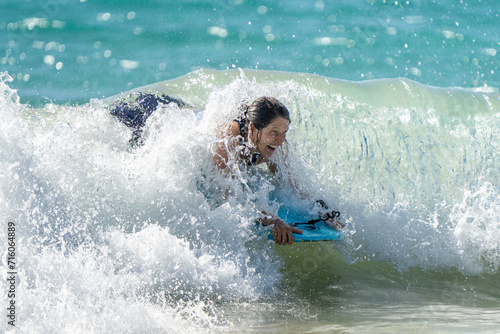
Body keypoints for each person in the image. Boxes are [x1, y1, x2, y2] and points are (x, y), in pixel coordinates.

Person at [213, 96, 344, 245]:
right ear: (252, 129)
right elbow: (230, 197)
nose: (280, 140)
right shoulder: (226, 140)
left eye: (284, 132)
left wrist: (325, 211)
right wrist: (271, 219)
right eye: (274, 132)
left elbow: (294, 184)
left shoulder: (277, 144)